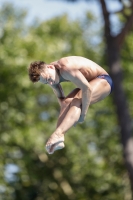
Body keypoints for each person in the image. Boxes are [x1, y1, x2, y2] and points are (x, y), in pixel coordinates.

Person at [28, 56, 113, 154]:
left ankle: (58, 134)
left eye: (49, 79)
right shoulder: (51, 75)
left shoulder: (65, 68)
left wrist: (83, 114)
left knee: (77, 101)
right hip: (88, 84)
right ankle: (59, 138)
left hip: (104, 80)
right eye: (47, 82)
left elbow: (87, 89)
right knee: (66, 102)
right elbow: (61, 99)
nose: (50, 83)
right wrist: (66, 111)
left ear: (50, 67)